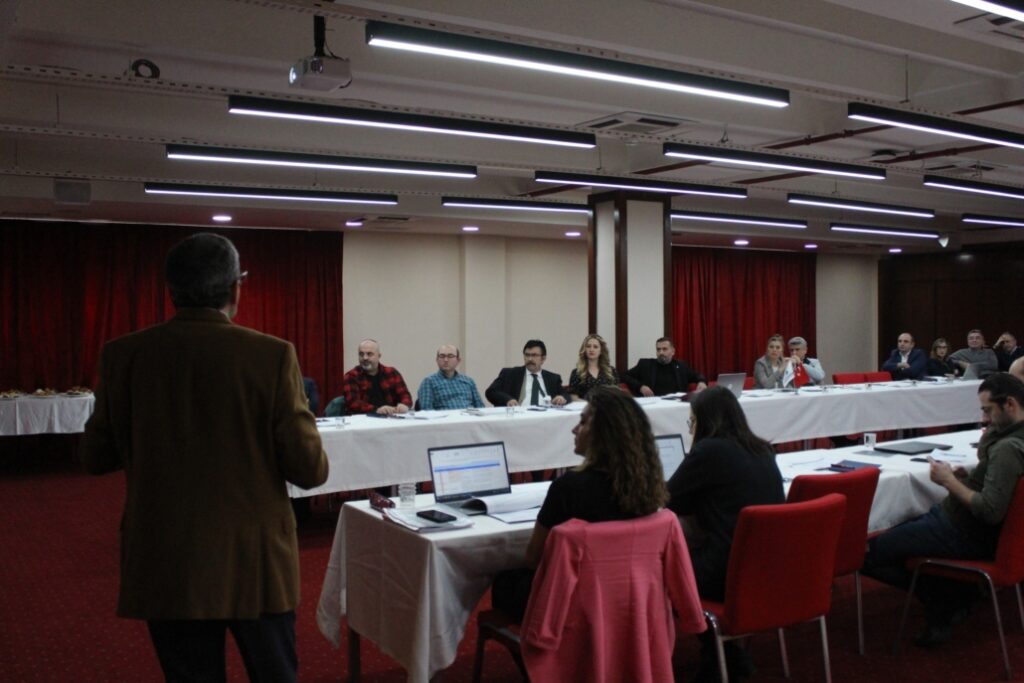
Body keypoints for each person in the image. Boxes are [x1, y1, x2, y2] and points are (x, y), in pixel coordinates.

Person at [80, 233, 328, 682]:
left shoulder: (123, 355)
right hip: (255, 561)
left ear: (171, 290)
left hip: (167, 557)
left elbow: (95, 456)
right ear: (235, 288)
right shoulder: (272, 355)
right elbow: (310, 470)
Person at [863, 373, 1024, 647]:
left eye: (988, 410)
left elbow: (989, 510)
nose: (984, 419)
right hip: (960, 525)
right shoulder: (1011, 440)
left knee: (865, 553)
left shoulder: (1008, 449)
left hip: (960, 531)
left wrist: (949, 481)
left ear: (1009, 404)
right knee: (895, 535)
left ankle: (944, 598)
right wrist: (967, 480)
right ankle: (955, 592)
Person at [490, 386, 669, 621]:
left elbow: (534, 558)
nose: (574, 429)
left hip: (572, 603)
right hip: (632, 597)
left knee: (504, 581)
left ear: (603, 434)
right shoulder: (647, 484)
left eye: (583, 422)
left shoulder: (568, 488)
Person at [666, 386, 784, 681]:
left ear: (705, 420)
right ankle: (724, 655)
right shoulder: (763, 449)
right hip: (770, 568)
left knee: (663, 572)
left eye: (692, 421)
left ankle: (721, 654)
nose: (691, 428)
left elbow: (667, 498)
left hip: (727, 571)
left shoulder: (709, 450)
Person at [485, 339, 569, 407]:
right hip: (519, 417)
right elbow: (491, 391)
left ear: (543, 359)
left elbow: (566, 395)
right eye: (527, 355)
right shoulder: (510, 374)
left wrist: (561, 397)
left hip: (546, 417)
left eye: (534, 355)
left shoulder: (553, 378)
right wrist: (508, 399)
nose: (530, 359)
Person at [341, 339, 412, 415]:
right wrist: (377, 409)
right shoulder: (351, 376)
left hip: (391, 417)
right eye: (361, 354)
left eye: (369, 354)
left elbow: (405, 395)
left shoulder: (391, 373)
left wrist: (404, 405)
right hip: (363, 419)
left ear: (379, 356)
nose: (365, 358)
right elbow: (353, 403)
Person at [626, 336, 707, 397]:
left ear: (673, 351)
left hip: (676, 404)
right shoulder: (645, 365)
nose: (661, 352)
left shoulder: (681, 366)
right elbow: (624, 376)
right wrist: (640, 387)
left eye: (664, 349)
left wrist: (702, 382)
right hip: (653, 404)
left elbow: (697, 376)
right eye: (658, 349)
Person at [416, 344, 484, 410]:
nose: (446, 360)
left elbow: (481, 408)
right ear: (437, 360)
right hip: (445, 417)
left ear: (458, 360)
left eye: (450, 356)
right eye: (442, 356)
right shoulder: (429, 382)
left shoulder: (468, 381)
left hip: (469, 417)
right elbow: (427, 411)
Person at [568, 333, 622, 400]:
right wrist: (588, 404)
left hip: (607, 405)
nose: (591, 349)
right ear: (584, 350)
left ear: (601, 351)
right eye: (588, 346)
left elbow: (617, 394)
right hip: (585, 405)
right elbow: (573, 396)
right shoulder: (576, 372)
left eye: (595, 347)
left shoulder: (611, 371)